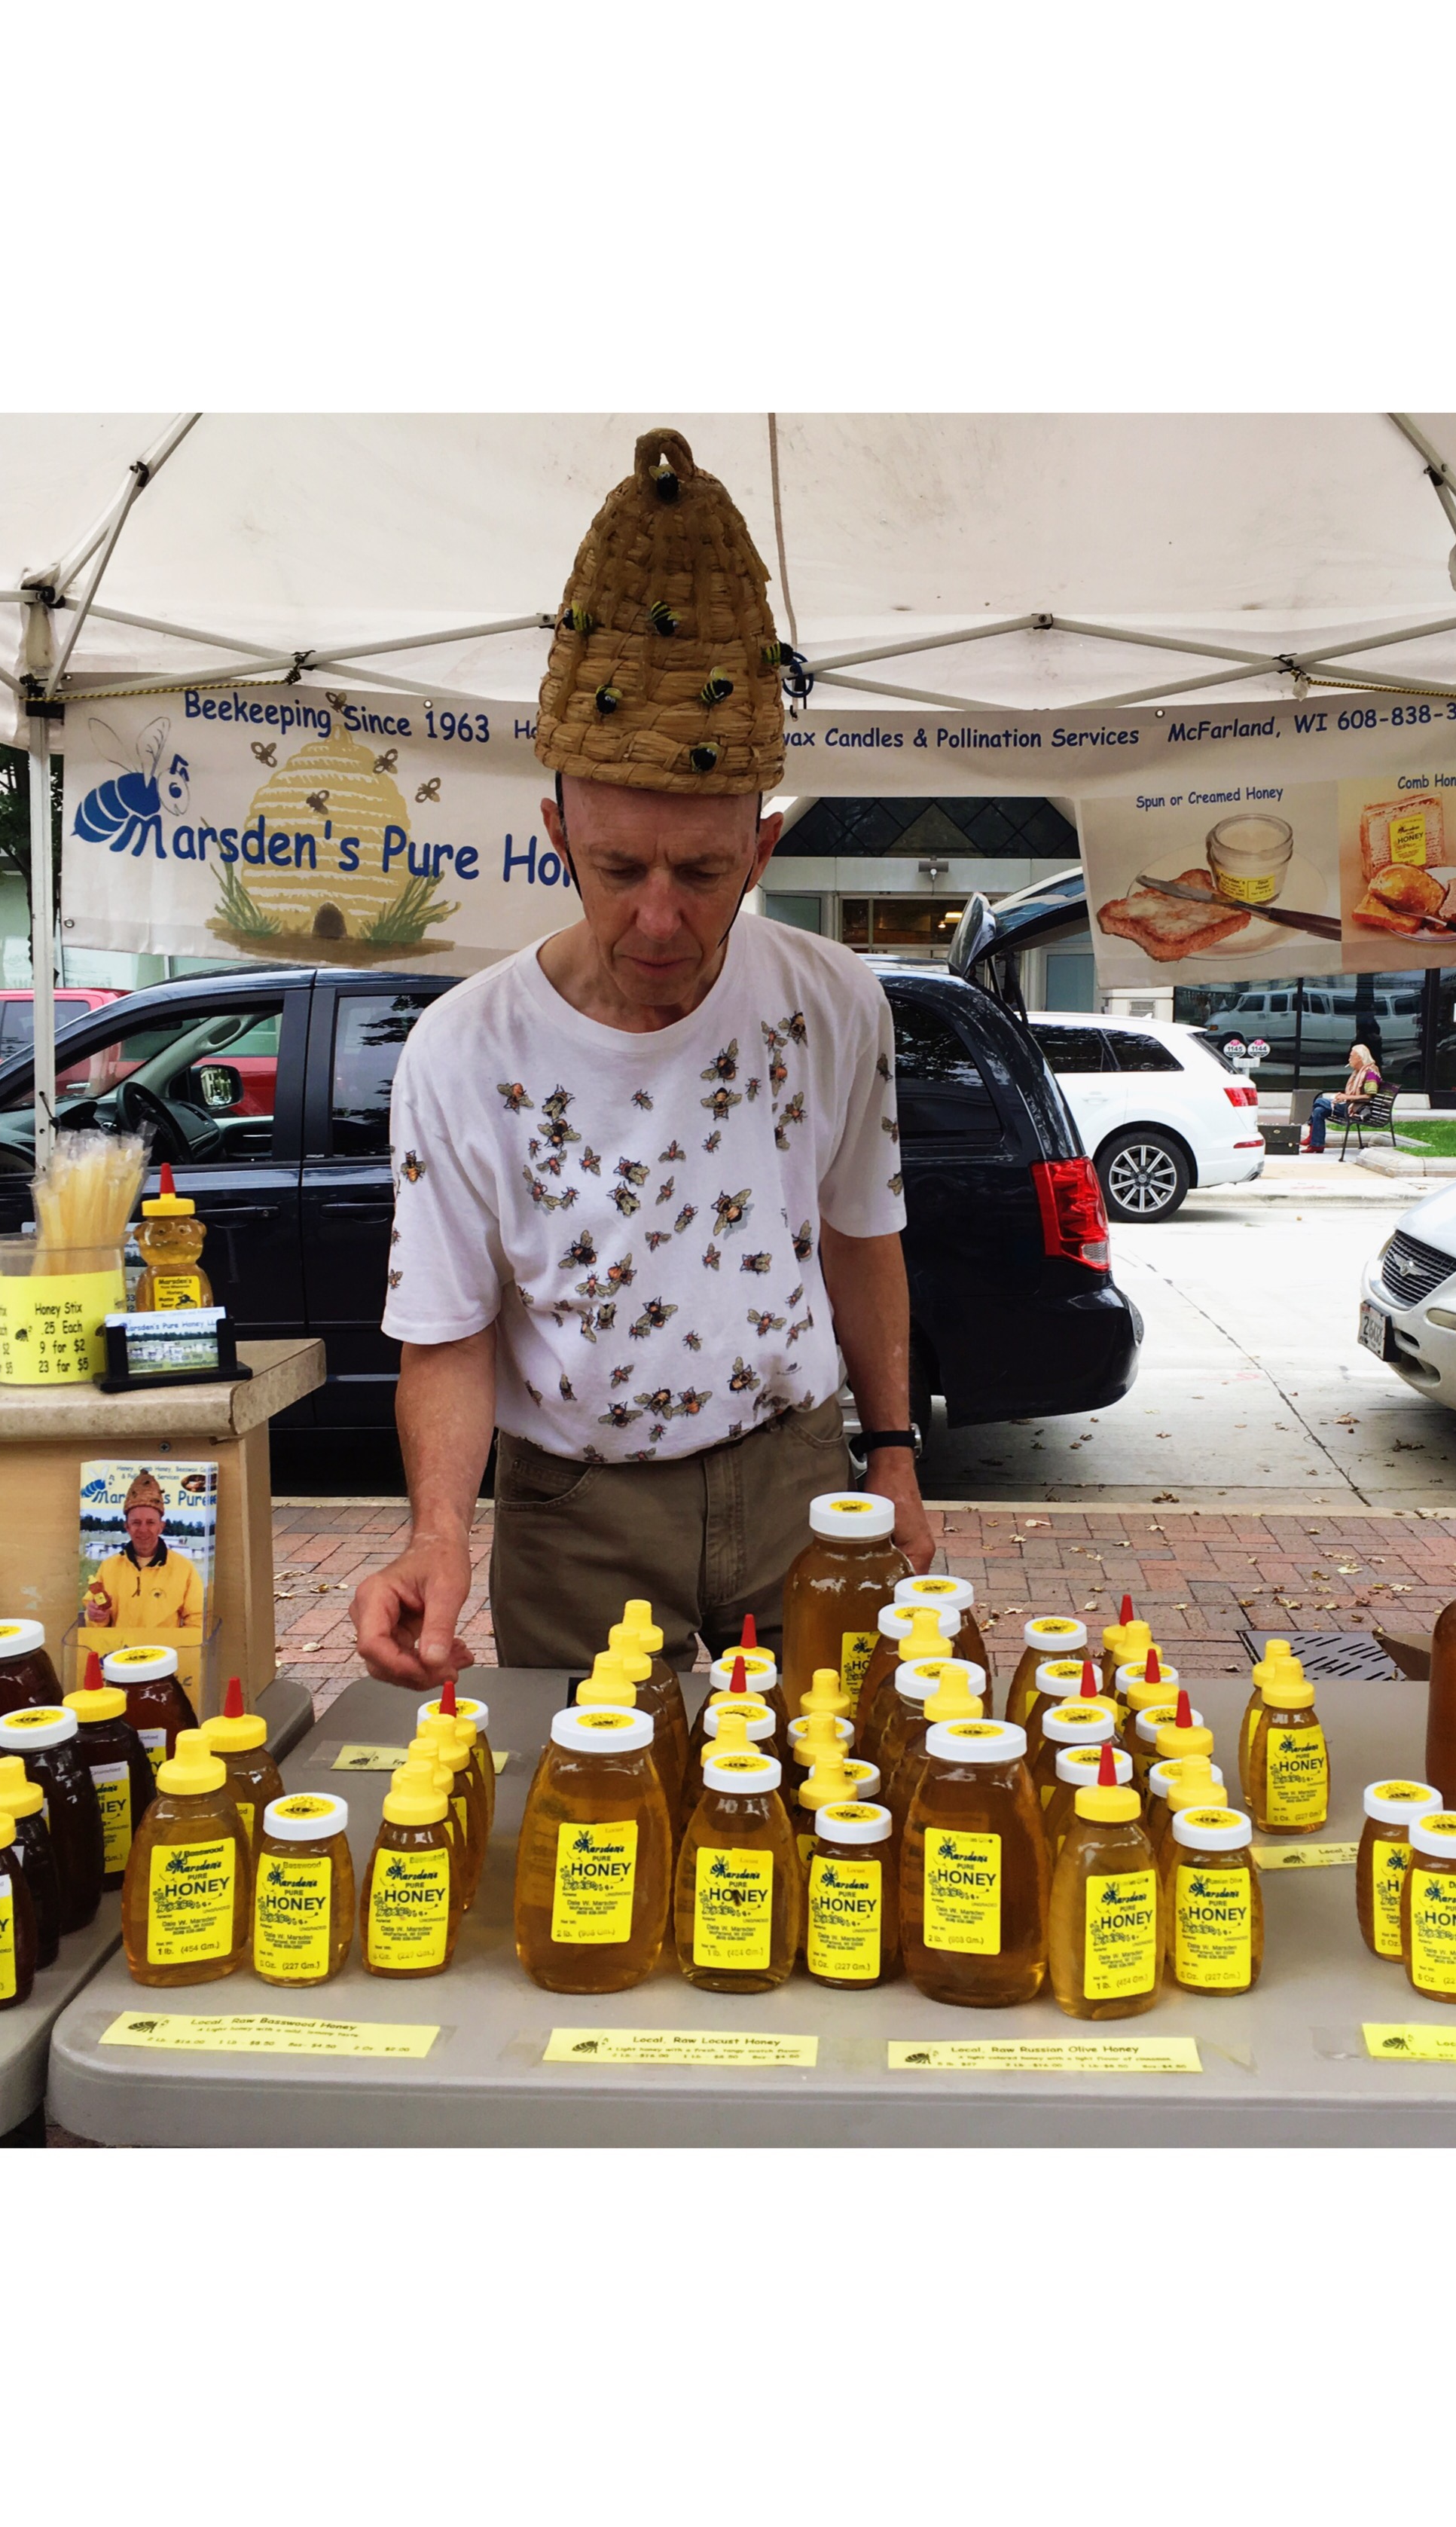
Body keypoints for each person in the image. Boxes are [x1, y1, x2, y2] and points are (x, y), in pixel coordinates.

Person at [352, 428, 935, 1685]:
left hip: (796, 1472)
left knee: (827, 1777)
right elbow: (446, 1327)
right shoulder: (462, 1049)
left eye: (704, 871)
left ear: (760, 849)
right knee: (597, 1800)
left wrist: (890, 1450)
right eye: (618, 868)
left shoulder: (834, 1001)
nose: (659, 918)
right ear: (556, 834)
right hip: (577, 1509)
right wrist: (437, 1533)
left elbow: (860, 1234)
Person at [82, 1470, 205, 1637]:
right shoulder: (109, 1567)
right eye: (136, 1523)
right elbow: (96, 1624)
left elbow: (197, 1621)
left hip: (164, 1651)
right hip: (120, 1651)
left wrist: (176, 1648)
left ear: (161, 1527)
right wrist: (96, 1617)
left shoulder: (184, 1569)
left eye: (151, 1522)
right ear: (127, 1527)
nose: (143, 1529)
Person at [1305, 1043, 1381, 1153]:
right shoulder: (1358, 1072)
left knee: (1319, 1101)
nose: (1349, 1059)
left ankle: (1312, 1137)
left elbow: (1369, 1096)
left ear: (1360, 1058)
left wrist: (1346, 1097)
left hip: (1356, 1109)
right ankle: (1316, 1145)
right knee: (1319, 1110)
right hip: (1350, 1105)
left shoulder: (1371, 1073)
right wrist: (1342, 1097)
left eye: (1351, 1056)